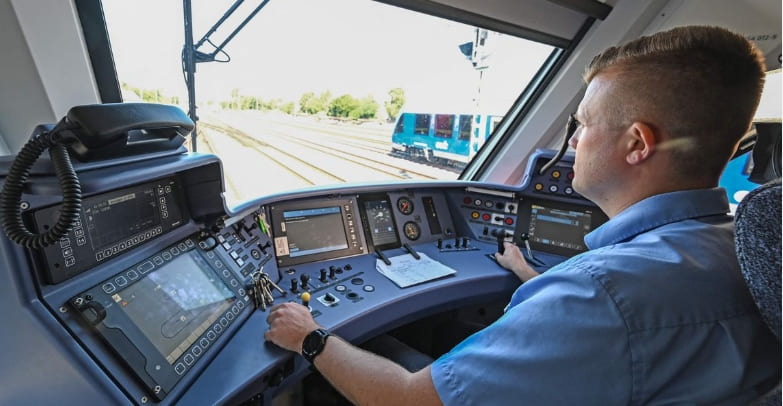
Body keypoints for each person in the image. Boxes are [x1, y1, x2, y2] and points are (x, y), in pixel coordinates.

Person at [265, 25, 780, 404]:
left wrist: (309, 335)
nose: (574, 141)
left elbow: (407, 399)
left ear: (637, 143)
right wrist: (529, 274)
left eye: (582, 124)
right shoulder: (742, 247)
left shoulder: (597, 294)